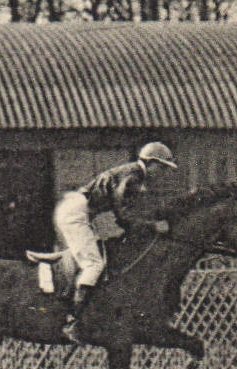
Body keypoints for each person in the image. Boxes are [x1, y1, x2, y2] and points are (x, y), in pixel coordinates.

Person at [54, 141, 177, 340]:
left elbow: (128, 214)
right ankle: (73, 320)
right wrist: (153, 227)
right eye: (162, 167)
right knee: (94, 264)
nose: (163, 173)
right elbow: (124, 214)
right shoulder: (133, 176)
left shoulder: (135, 175)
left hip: (80, 211)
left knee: (99, 256)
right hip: (75, 213)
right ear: (151, 162)